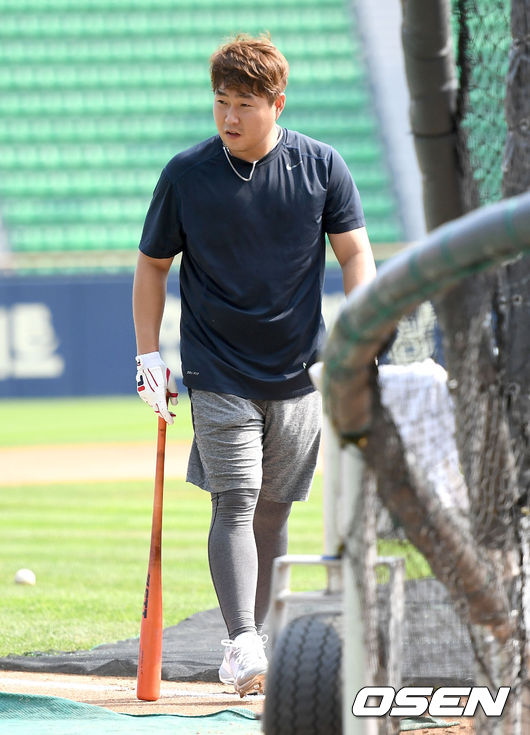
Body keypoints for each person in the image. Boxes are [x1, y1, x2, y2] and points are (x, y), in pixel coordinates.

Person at [132, 33, 376, 697]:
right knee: (236, 499)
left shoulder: (321, 166)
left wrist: (360, 338)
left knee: (273, 509)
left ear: (277, 103)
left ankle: (258, 638)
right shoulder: (186, 174)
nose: (229, 116)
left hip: (299, 371)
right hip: (217, 369)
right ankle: (241, 640)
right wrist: (148, 353)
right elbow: (152, 265)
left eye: (244, 103)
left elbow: (356, 254)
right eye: (221, 101)